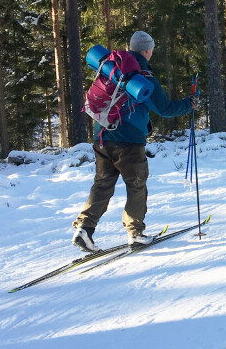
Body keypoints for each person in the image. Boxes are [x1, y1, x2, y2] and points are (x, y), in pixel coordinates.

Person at [72, 31, 196, 252]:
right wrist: (189, 104)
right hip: (128, 141)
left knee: (102, 184)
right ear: (147, 50)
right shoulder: (144, 77)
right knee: (136, 184)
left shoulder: (113, 69)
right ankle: (136, 233)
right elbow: (165, 109)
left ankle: (84, 229)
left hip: (101, 136)